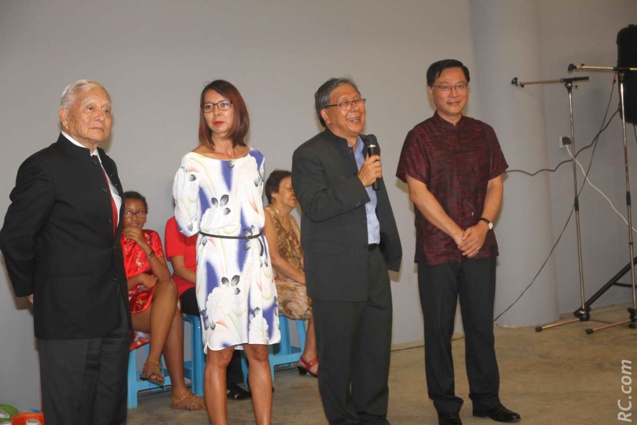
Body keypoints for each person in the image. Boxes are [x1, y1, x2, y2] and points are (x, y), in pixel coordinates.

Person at [395, 59, 521, 425]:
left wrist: (483, 225)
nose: (454, 93)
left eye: (460, 85)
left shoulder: (484, 132)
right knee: (439, 330)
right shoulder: (419, 136)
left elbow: (496, 183)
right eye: (445, 86)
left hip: (480, 245)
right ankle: (446, 405)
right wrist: (456, 232)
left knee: (481, 326)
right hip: (437, 249)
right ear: (431, 90)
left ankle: (486, 398)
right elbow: (417, 192)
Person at [0, 80, 129, 424]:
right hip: (68, 310)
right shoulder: (43, 165)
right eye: (90, 108)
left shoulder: (107, 163)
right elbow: (14, 235)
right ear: (65, 116)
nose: (101, 116)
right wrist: (30, 288)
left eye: (106, 110)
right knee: (71, 409)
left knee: (109, 405)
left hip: (113, 307)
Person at [292, 77, 402, 425]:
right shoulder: (308, 154)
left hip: (372, 261)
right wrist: (359, 181)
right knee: (337, 357)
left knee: (375, 349)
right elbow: (315, 206)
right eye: (345, 103)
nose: (355, 108)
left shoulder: (369, 146)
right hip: (336, 269)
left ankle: (373, 416)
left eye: (358, 100)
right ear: (326, 114)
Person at [173, 79, 280, 425]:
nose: (216, 113)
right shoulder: (192, 162)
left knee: (258, 351)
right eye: (208, 106)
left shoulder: (256, 158)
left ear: (238, 109)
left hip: (256, 260)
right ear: (202, 114)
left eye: (224, 104)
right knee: (219, 355)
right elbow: (187, 226)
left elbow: (257, 212)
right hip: (216, 260)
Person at [121, 191, 205, 410]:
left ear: (146, 215)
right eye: (128, 213)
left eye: (139, 213)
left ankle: (153, 361)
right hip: (121, 305)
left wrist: (144, 246)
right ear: (120, 215)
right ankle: (178, 391)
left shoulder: (150, 237)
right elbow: (105, 285)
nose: (134, 218)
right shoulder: (110, 242)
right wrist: (138, 278)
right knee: (173, 313)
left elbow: (165, 277)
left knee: (169, 291)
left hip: (151, 304)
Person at [164, 215, 251, 400]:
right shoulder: (175, 224)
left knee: (246, 306)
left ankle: (254, 372)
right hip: (188, 287)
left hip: (218, 285)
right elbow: (179, 268)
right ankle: (227, 382)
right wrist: (210, 286)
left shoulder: (214, 221)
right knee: (222, 310)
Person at [263, 170, 318, 377]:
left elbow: (304, 258)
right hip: (273, 282)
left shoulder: (292, 220)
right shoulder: (266, 215)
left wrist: (320, 276)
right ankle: (309, 356)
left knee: (330, 290)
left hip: (294, 279)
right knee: (318, 296)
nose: (295, 192)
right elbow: (275, 259)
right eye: (289, 188)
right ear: (274, 193)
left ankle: (317, 354)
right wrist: (307, 281)